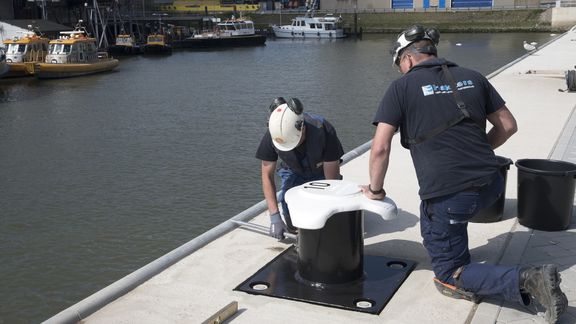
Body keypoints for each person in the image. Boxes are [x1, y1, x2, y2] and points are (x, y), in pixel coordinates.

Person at [362, 25, 567, 323]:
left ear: (406, 59)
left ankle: (529, 280)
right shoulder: (474, 76)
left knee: (447, 272)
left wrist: (376, 191)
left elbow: (380, 148)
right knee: (456, 211)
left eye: (399, 66)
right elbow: (508, 125)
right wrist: (480, 152)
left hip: (450, 195)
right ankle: (455, 232)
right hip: (492, 185)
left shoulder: (401, 88)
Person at [256, 97, 344, 240]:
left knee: (326, 217)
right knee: (293, 219)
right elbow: (266, 175)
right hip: (292, 170)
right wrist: (274, 216)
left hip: (321, 170)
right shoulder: (274, 134)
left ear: (302, 127)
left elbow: (331, 182)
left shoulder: (323, 129)